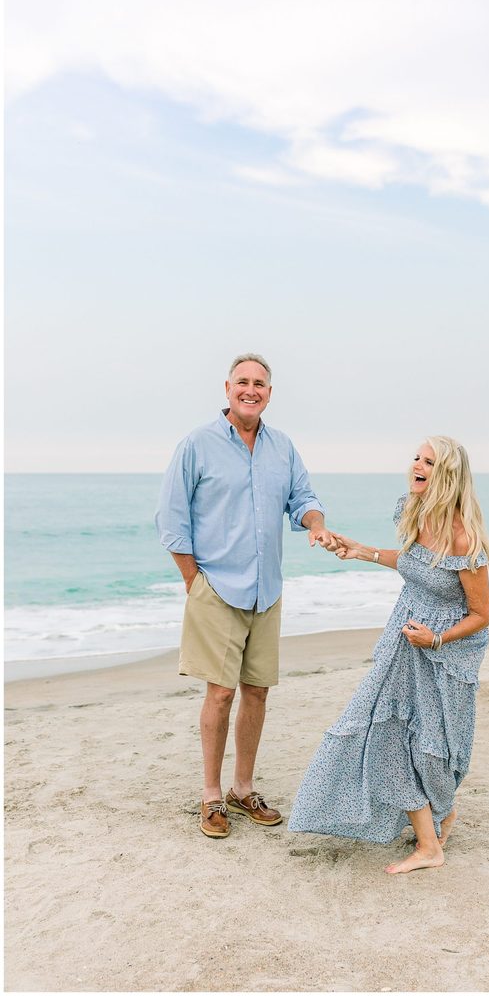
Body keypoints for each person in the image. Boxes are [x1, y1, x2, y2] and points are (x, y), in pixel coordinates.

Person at [288, 436, 489, 874]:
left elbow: (481, 614)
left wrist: (436, 640)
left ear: (448, 476)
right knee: (383, 736)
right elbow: (413, 562)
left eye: (429, 462)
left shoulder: (463, 538)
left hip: (445, 657)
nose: (416, 466)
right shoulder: (412, 509)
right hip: (403, 645)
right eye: (416, 458)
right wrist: (361, 551)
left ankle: (439, 818)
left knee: (432, 750)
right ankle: (430, 840)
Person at [155, 353, 337, 839]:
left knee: (257, 690)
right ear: (228, 388)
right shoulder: (197, 444)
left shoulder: (283, 447)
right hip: (216, 587)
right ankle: (211, 796)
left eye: (259, 383)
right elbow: (172, 519)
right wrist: (195, 581)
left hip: (267, 590)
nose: (250, 390)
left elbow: (303, 499)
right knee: (220, 692)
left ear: (269, 393)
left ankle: (243, 788)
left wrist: (315, 526)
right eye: (242, 382)